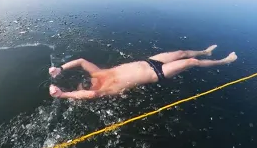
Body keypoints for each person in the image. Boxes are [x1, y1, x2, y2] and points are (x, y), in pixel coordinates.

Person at [49, 45, 237, 99]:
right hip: (157, 73)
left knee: (181, 52)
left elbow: (82, 61)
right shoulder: (105, 90)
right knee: (191, 62)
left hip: (150, 62)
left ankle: (206, 51)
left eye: (87, 81)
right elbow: (87, 94)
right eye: (87, 85)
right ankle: (223, 61)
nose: (90, 83)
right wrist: (63, 94)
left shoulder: (98, 73)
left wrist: (60, 68)